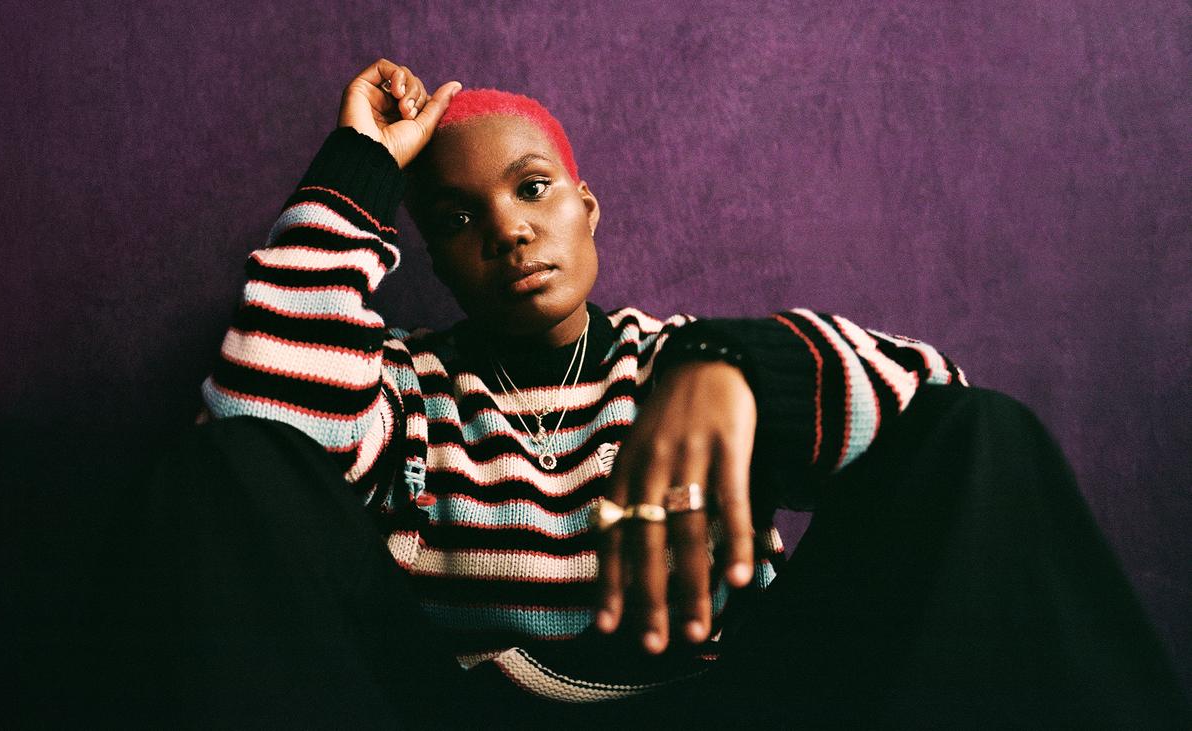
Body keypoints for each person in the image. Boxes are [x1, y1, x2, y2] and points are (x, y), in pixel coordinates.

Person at [88, 59, 1188, 727]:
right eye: (459, 220)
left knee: (980, 432)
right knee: (219, 465)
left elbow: (944, 419)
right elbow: (256, 436)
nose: (508, 230)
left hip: (736, 706)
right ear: (431, 255)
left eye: (533, 190)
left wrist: (732, 368)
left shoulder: (681, 363)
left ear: (588, 209)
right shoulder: (405, 389)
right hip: (453, 711)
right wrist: (357, 168)